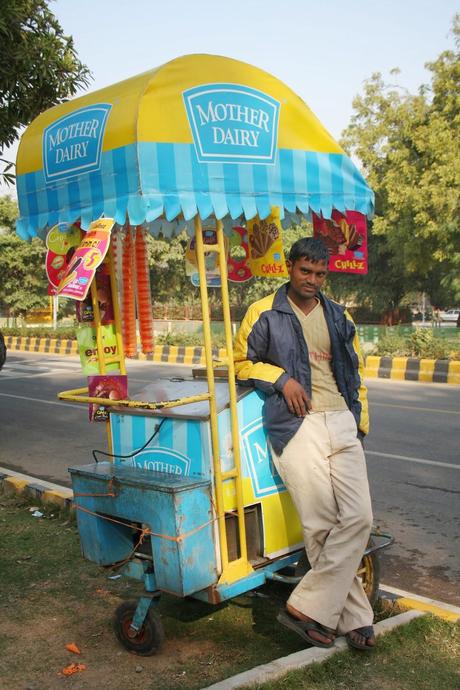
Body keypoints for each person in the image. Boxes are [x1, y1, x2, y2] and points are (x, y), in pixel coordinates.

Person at [234, 237, 375, 651]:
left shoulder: (338, 315)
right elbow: (238, 362)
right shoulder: (264, 312)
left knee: (359, 518)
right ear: (289, 268)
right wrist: (282, 378)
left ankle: (306, 607)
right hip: (296, 426)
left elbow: (355, 370)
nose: (312, 280)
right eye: (304, 271)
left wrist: (358, 423)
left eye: (319, 274)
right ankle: (355, 618)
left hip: (341, 422)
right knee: (321, 525)